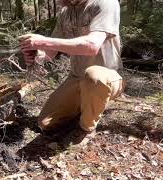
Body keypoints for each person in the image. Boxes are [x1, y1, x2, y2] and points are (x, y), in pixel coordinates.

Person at [18, 0, 124, 145]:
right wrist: (37, 56)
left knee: (95, 76)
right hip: (76, 77)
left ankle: (86, 128)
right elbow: (51, 52)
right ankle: (86, 105)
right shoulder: (65, 12)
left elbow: (92, 46)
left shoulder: (105, 3)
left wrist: (43, 41)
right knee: (46, 123)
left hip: (108, 76)